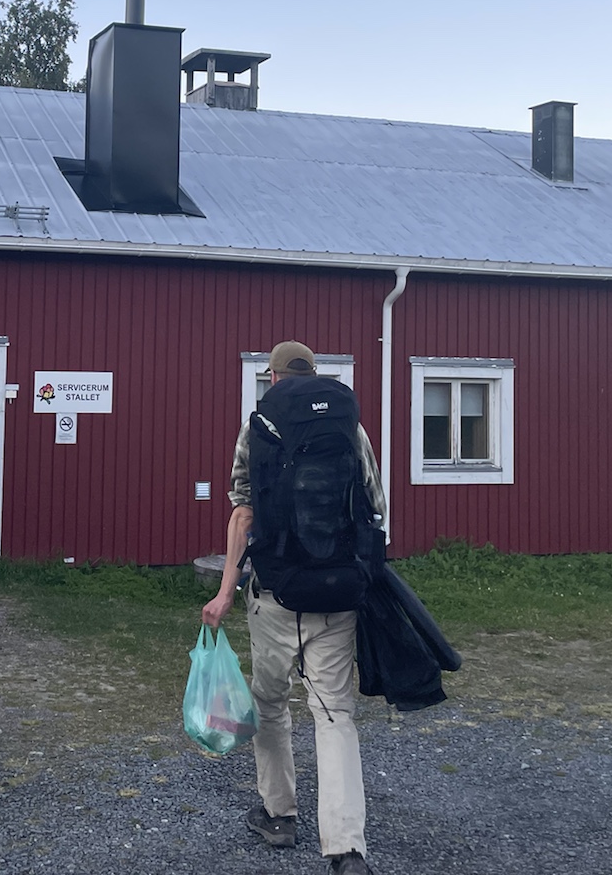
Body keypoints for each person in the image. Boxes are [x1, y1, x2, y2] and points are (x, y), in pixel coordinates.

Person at [201, 341, 387, 875]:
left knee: (270, 704)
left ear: (275, 377)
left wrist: (224, 591)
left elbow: (243, 513)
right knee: (334, 713)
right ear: (314, 374)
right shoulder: (350, 428)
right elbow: (375, 506)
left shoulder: (258, 428)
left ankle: (279, 815)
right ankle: (346, 849)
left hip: (274, 595)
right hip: (336, 595)